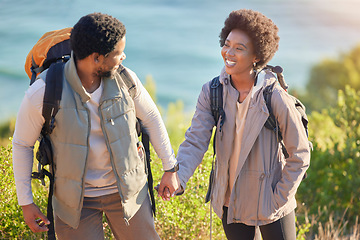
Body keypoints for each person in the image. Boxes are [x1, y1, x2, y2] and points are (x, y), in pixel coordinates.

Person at [12, 12, 179, 240]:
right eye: (118, 54)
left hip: (128, 191)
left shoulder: (126, 79)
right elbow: (22, 143)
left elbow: (151, 117)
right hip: (74, 203)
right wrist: (26, 202)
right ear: (96, 58)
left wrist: (170, 168)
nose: (124, 57)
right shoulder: (44, 90)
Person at [158, 9, 310, 240]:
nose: (229, 52)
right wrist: (178, 176)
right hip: (231, 201)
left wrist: (278, 198)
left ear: (256, 56)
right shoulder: (212, 91)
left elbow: (300, 154)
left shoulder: (274, 97)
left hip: (271, 202)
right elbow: (195, 141)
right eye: (227, 44)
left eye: (239, 48)